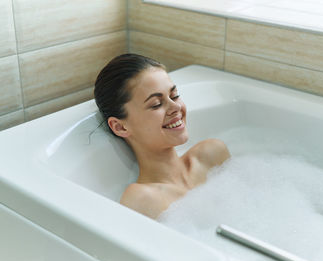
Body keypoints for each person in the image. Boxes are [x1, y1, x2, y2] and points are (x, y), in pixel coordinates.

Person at [94, 54, 230, 219]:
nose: (175, 107)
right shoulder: (142, 199)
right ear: (120, 126)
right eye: (156, 104)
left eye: (174, 96)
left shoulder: (212, 155)